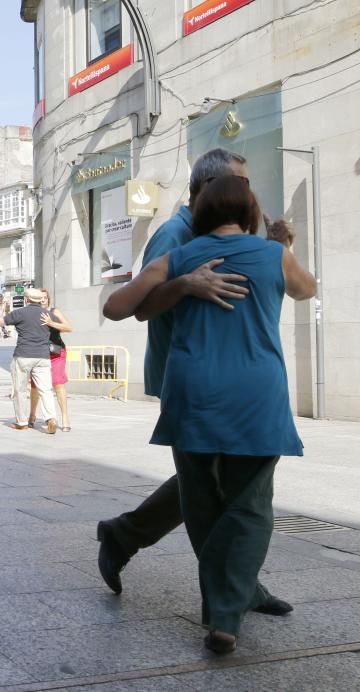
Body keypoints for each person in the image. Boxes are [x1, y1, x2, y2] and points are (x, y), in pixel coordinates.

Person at [103, 175, 316, 654]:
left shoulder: (179, 257)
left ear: (199, 212)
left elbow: (117, 307)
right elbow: (307, 289)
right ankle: (224, 614)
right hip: (254, 392)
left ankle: (233, 599)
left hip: (193, 391)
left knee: (201, 502)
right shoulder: (272, 255)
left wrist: (180, 283)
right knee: (250, 504)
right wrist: (282, 248)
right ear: (251, 212)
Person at [0, 288, 58, 435]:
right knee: (46, 389)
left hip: (23, 355)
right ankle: (51, 418)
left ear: (26, 300)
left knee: (20, 390)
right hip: (43, 356)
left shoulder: (20, 313)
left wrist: (3, 307)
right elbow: (62, 327)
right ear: (40, 300)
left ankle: (22, 422)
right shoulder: (47, 314)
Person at [28, 288, 73, 431]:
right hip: (39, 353)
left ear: (48, 300)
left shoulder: (54, 312)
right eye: (40, 298)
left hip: (56, 353)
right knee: (35, 385)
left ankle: (65, 417)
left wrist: (50, 322)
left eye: (45, 298)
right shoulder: (32, 313)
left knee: (58, 383)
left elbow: (68, 328)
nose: (42, 300)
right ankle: (32, 415)